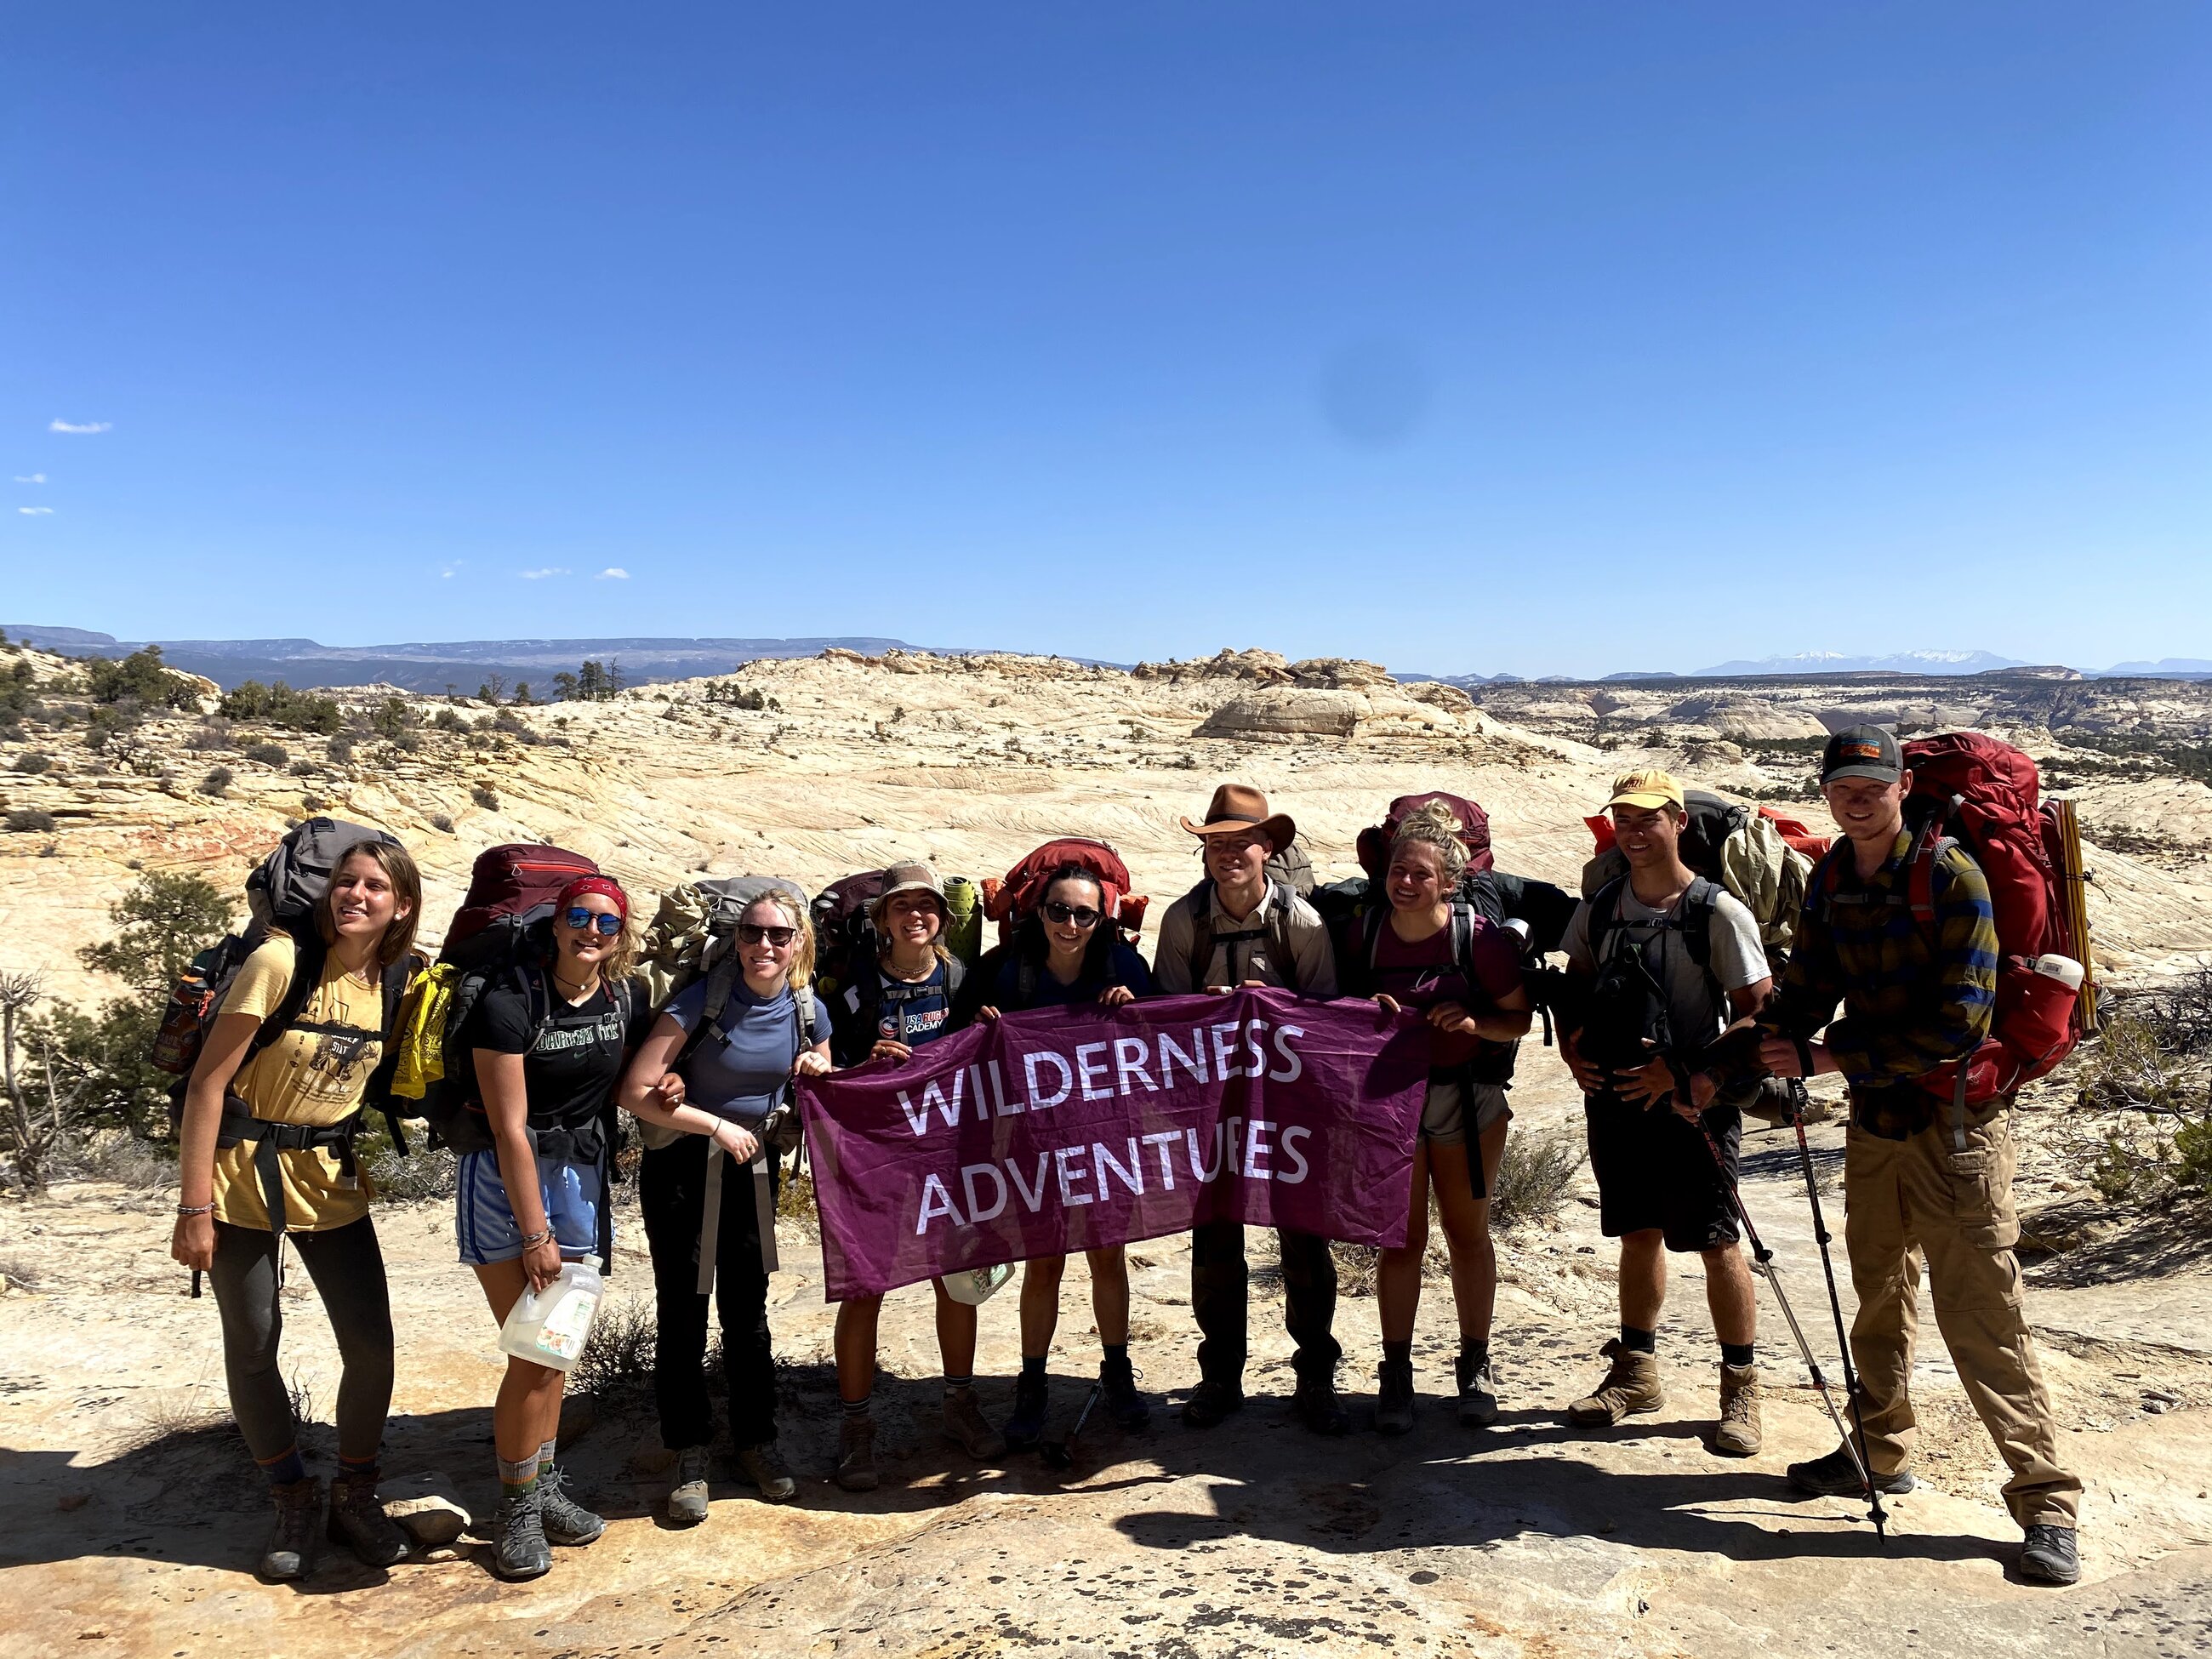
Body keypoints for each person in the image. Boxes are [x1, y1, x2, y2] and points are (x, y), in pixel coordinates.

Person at [1753, 727, 2083, 1585]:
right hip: (1877, 1122)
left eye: (1871, 783)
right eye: (1841, 785)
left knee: (1980, 1312)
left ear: (1901, 786)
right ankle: (1877, 1447)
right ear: (1825, 793)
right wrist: (1741, 1053)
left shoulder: (1950, 877)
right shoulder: (1831, 875)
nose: (1855, 797)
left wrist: (1828, 1060)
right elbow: (1805, 987)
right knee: (1878, 1290)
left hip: (1957, 1127)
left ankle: (2045, 1500)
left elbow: (1959, 1025)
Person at [168, 838, 420, 1581]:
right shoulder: (280, 963)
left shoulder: (395, 980)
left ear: (400, 905)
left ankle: (356, 1491)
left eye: (376, 887)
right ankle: (291, 1495)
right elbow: (208, 1087)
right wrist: (192, 1208)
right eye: (347, 882)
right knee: (252, 1344)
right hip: (239, 1178)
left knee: (371, 1348)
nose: (356, 896)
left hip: (330, 1180)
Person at [1554, 769, 1770, 1457]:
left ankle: (1740, 1388)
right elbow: (1578, 991)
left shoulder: (1716, 911)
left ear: (1678, 821)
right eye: (1624, 819)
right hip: (1617, 1100)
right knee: (1637, 1233)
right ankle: (1636, 1373)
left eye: (1648, 818)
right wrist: (1571, 1049)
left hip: (1689, 1106)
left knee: (1715, 1242)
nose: (1635, 831)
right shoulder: (1601, 907)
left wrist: (1698, 1075)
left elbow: (1759, 1011)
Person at [619, 885, 832, 1519]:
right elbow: (634, 1090)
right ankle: (688, 1450)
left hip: (751, 1168)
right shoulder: (700, 1001)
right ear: (735, 940)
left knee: (748, 1310)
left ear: (799, 946)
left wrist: (822, 1073)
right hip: (684, 1166)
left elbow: (822, 1071)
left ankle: (755, 1440)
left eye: (777, 935)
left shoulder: (805, 1009)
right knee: (683, 1310)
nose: (763, 945)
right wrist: (713, 1125)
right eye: (751, 933)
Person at [1150, 783, 1350, 1435]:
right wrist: (1204, 1010)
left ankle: (1316, 1376)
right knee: (1213, 1241)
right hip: (1212, 1107)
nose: (1229, 854)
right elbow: (1162, 1021)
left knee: (1303, 1240)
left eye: (1243, 843)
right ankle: (1219, 1377)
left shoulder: (1302, 923)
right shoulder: (1186, 920)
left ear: (1268, 849)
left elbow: (1326, 1022)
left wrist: (1277, 1006)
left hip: (1287, 1107)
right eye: (1218, 844)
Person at [457, 873, 634, 1579]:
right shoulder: (508, 1002)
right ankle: (517, 1508)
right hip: (508, 1185)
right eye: (580, 919)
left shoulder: (622, 998)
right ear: (556, 924)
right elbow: (507, 1129)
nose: (592, 932)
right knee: (533, 1355)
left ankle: (544, 1485)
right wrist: (535, 1232)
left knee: (554, 1351)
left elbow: (613, 1083)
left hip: (579, 1179)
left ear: (622, 936)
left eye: (607, 923)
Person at [950, 860, 1155, 1450]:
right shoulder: (1005, 974)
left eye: (1084, 913)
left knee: (1106, 1257)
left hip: (1105, 1135)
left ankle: (1118, 1373)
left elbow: (1168, 1039)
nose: (1070, 923)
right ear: (1039, 912)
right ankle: (1032, 1383)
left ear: (1102, 918)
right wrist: (981, 1024)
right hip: (1033, 1141)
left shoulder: (1124, 967)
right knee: (1045, 1264)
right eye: (1059, 910)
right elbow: (961, 1047)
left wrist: (1132, 1012)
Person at [1350, 799, 1533, 1433]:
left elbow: (1518, 1019)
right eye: (1399, 871)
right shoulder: (1363, 936)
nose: (1405, 883)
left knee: (1466, 1235)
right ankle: (1396, 1375)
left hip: (1466, 1100)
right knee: (1400, 1241)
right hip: (1389, 1107)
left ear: (1450, 882)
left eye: (1421, 874)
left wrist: (1476, 1023)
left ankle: (1474, 1366)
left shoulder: (1479, 942)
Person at [824, 860, 1004, 1491]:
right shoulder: (851, 991)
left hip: (949, 1156)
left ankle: (958, 1403)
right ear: (882, 920)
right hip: (873, 1158)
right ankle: (856, 1429)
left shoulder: (961, 981)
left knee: (958, 1283)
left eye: (927, 907)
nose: (916, 917)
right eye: (903, 908)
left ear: (944, 921)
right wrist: (861, 1065)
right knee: (864, 1287)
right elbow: (827, 1075)